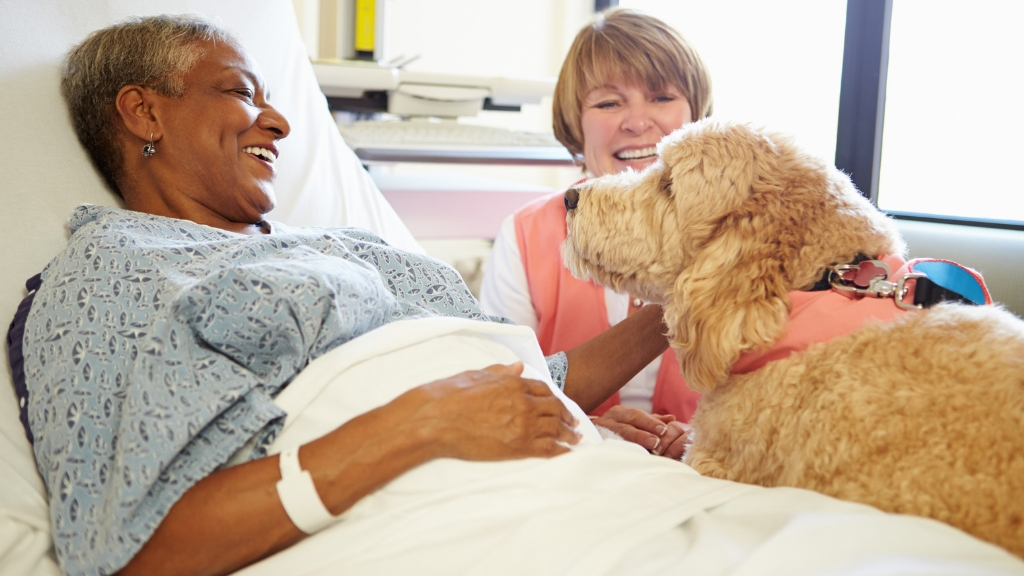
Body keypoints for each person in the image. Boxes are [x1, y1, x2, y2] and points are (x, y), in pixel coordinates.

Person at [14, 15, 682, 576]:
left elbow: (528, 376)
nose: (278, 123)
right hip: (457, 524)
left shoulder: (345, 245)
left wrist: (688, 298)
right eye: (240, 92)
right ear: (143, 112)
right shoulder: (111, 268)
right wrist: (421, 422)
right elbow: (121, 547)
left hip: (594, 488)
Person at [480, 8, 712, 457]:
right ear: (575, 122)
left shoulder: (739, 230)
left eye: (661, 97)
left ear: (696, 112)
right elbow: (503, 390)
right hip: (579, 464)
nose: (637, 122)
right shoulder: (526, 236)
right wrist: (595, 429)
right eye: (609, 103)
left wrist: (706, 436)